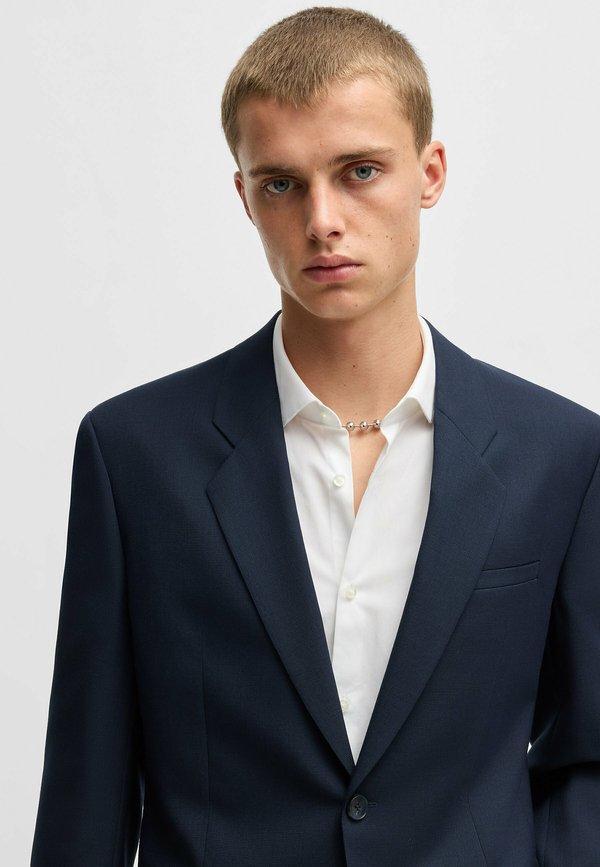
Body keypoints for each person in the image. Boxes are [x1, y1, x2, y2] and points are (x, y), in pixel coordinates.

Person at [31, 7, 600, 866]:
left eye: (360, 171)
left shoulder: (561, 454)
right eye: (282, 184)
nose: (322, 219)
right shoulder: (134, 456)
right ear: (244, 196)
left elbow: (586, 754)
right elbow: (87, 790)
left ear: (430, 173)